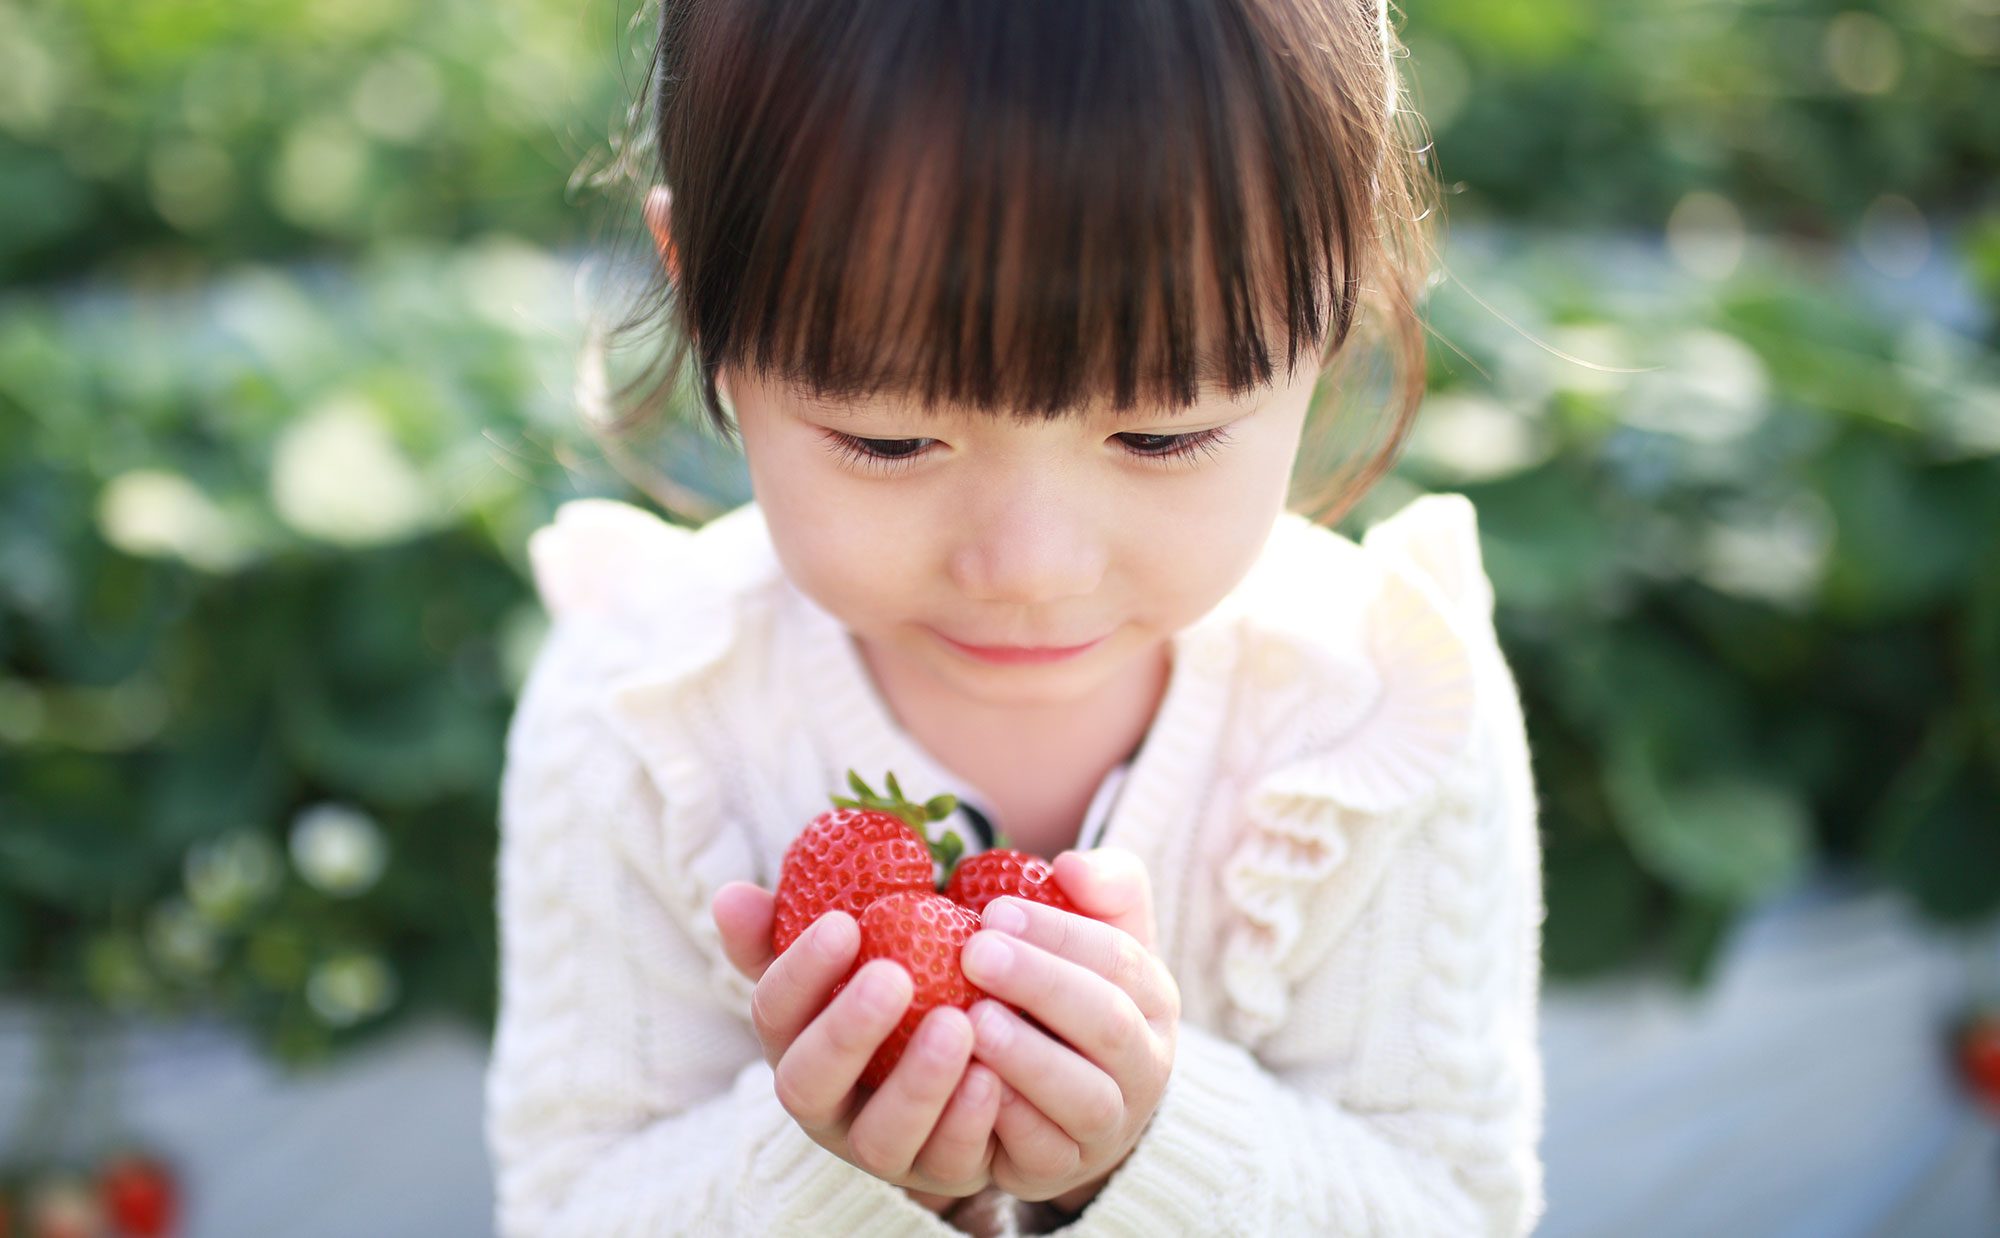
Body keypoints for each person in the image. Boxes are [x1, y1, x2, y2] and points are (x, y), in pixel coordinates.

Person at [484, 0, 1547, 1233]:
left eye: (1162, 433)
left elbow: (1451, 1207)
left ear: (1343, 296)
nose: (1027, 566)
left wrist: (1148, 1147)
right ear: (707, 305)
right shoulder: (646, 712)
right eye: (889, 440)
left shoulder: (1379, 712)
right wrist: (833, 1160)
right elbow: (569, 1208)